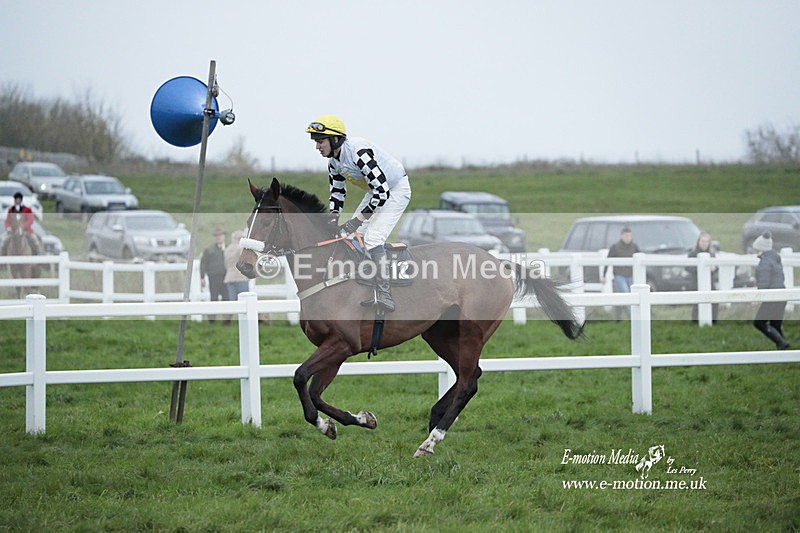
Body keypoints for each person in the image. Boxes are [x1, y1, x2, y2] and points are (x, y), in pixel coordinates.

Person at [306, 114, 411, 312]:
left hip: (395, 189)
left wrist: (357, 220)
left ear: (335, 139)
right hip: (376, 192)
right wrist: (333, 218)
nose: (317, 147)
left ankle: (385, 294)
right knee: (352, 236)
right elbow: (337, 192)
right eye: (316, 142)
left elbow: (383, 192)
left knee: (372, 238)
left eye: (320, 141)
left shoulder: (358, 152)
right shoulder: (333, 163)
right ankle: (362, 282)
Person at [751, 232, 790, 350]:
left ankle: (782, 343)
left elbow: (764, 283)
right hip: (782, 295)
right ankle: (783, 347)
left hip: (772, 297)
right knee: (775, 325)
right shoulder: (775, 259)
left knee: (759, 322)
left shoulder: (765, 262)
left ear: (760, 248)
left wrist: (758, 297)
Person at [603, 227, 639, 320]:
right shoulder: (615, 247)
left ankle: (622, 318)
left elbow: (641, 259)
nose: (628, 238)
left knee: (629, 296)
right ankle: (632, 317)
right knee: (626, 294)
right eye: (626, 236)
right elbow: (608, 261)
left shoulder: (634, 247)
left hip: (630, 275)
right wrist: (604, 275)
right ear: (622, 236)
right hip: (619, 275)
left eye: (630, 236)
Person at [686, 231, 719, 323]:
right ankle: (695, 322)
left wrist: (714, 268)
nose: (704, 243)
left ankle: (714, 322)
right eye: (702, 241)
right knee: (697, 304)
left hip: (710, 283)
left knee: (715, 301)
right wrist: (700, 269)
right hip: (696, 283)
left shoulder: (712, 254)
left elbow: (717, 267)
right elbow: (687, 267)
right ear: (698, 242)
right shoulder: (692, 254)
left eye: (706, 241)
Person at [200, 227, 228, 323]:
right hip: (214, 277)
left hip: (226, 277)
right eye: (217, 236)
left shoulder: (228, 248)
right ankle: (212, 320)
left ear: (224, 236)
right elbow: (203, 263)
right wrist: (202, 277)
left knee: (226, 298)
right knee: (214, 298)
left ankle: (226, 320)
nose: (219, 238)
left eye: (220, 235)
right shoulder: (209, 250)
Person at [2, 191, 41, 256]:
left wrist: (22, 227)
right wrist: (8, 227)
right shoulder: (11, 210)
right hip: (13, 231)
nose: (17, 201)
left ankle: (38, 258)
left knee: (35, 241)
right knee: (3, 241)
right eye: (16, 199)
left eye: (19, 199)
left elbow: (30, 220)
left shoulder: (27, 209)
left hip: (26, 231)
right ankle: (3, 260)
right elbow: (7, 221)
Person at [224, 230, 250, 302]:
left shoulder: (228, 249)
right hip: (241, 277)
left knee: (233, 302)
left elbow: (226, 263)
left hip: (229, 277)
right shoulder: (242, 249)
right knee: (245, 301)